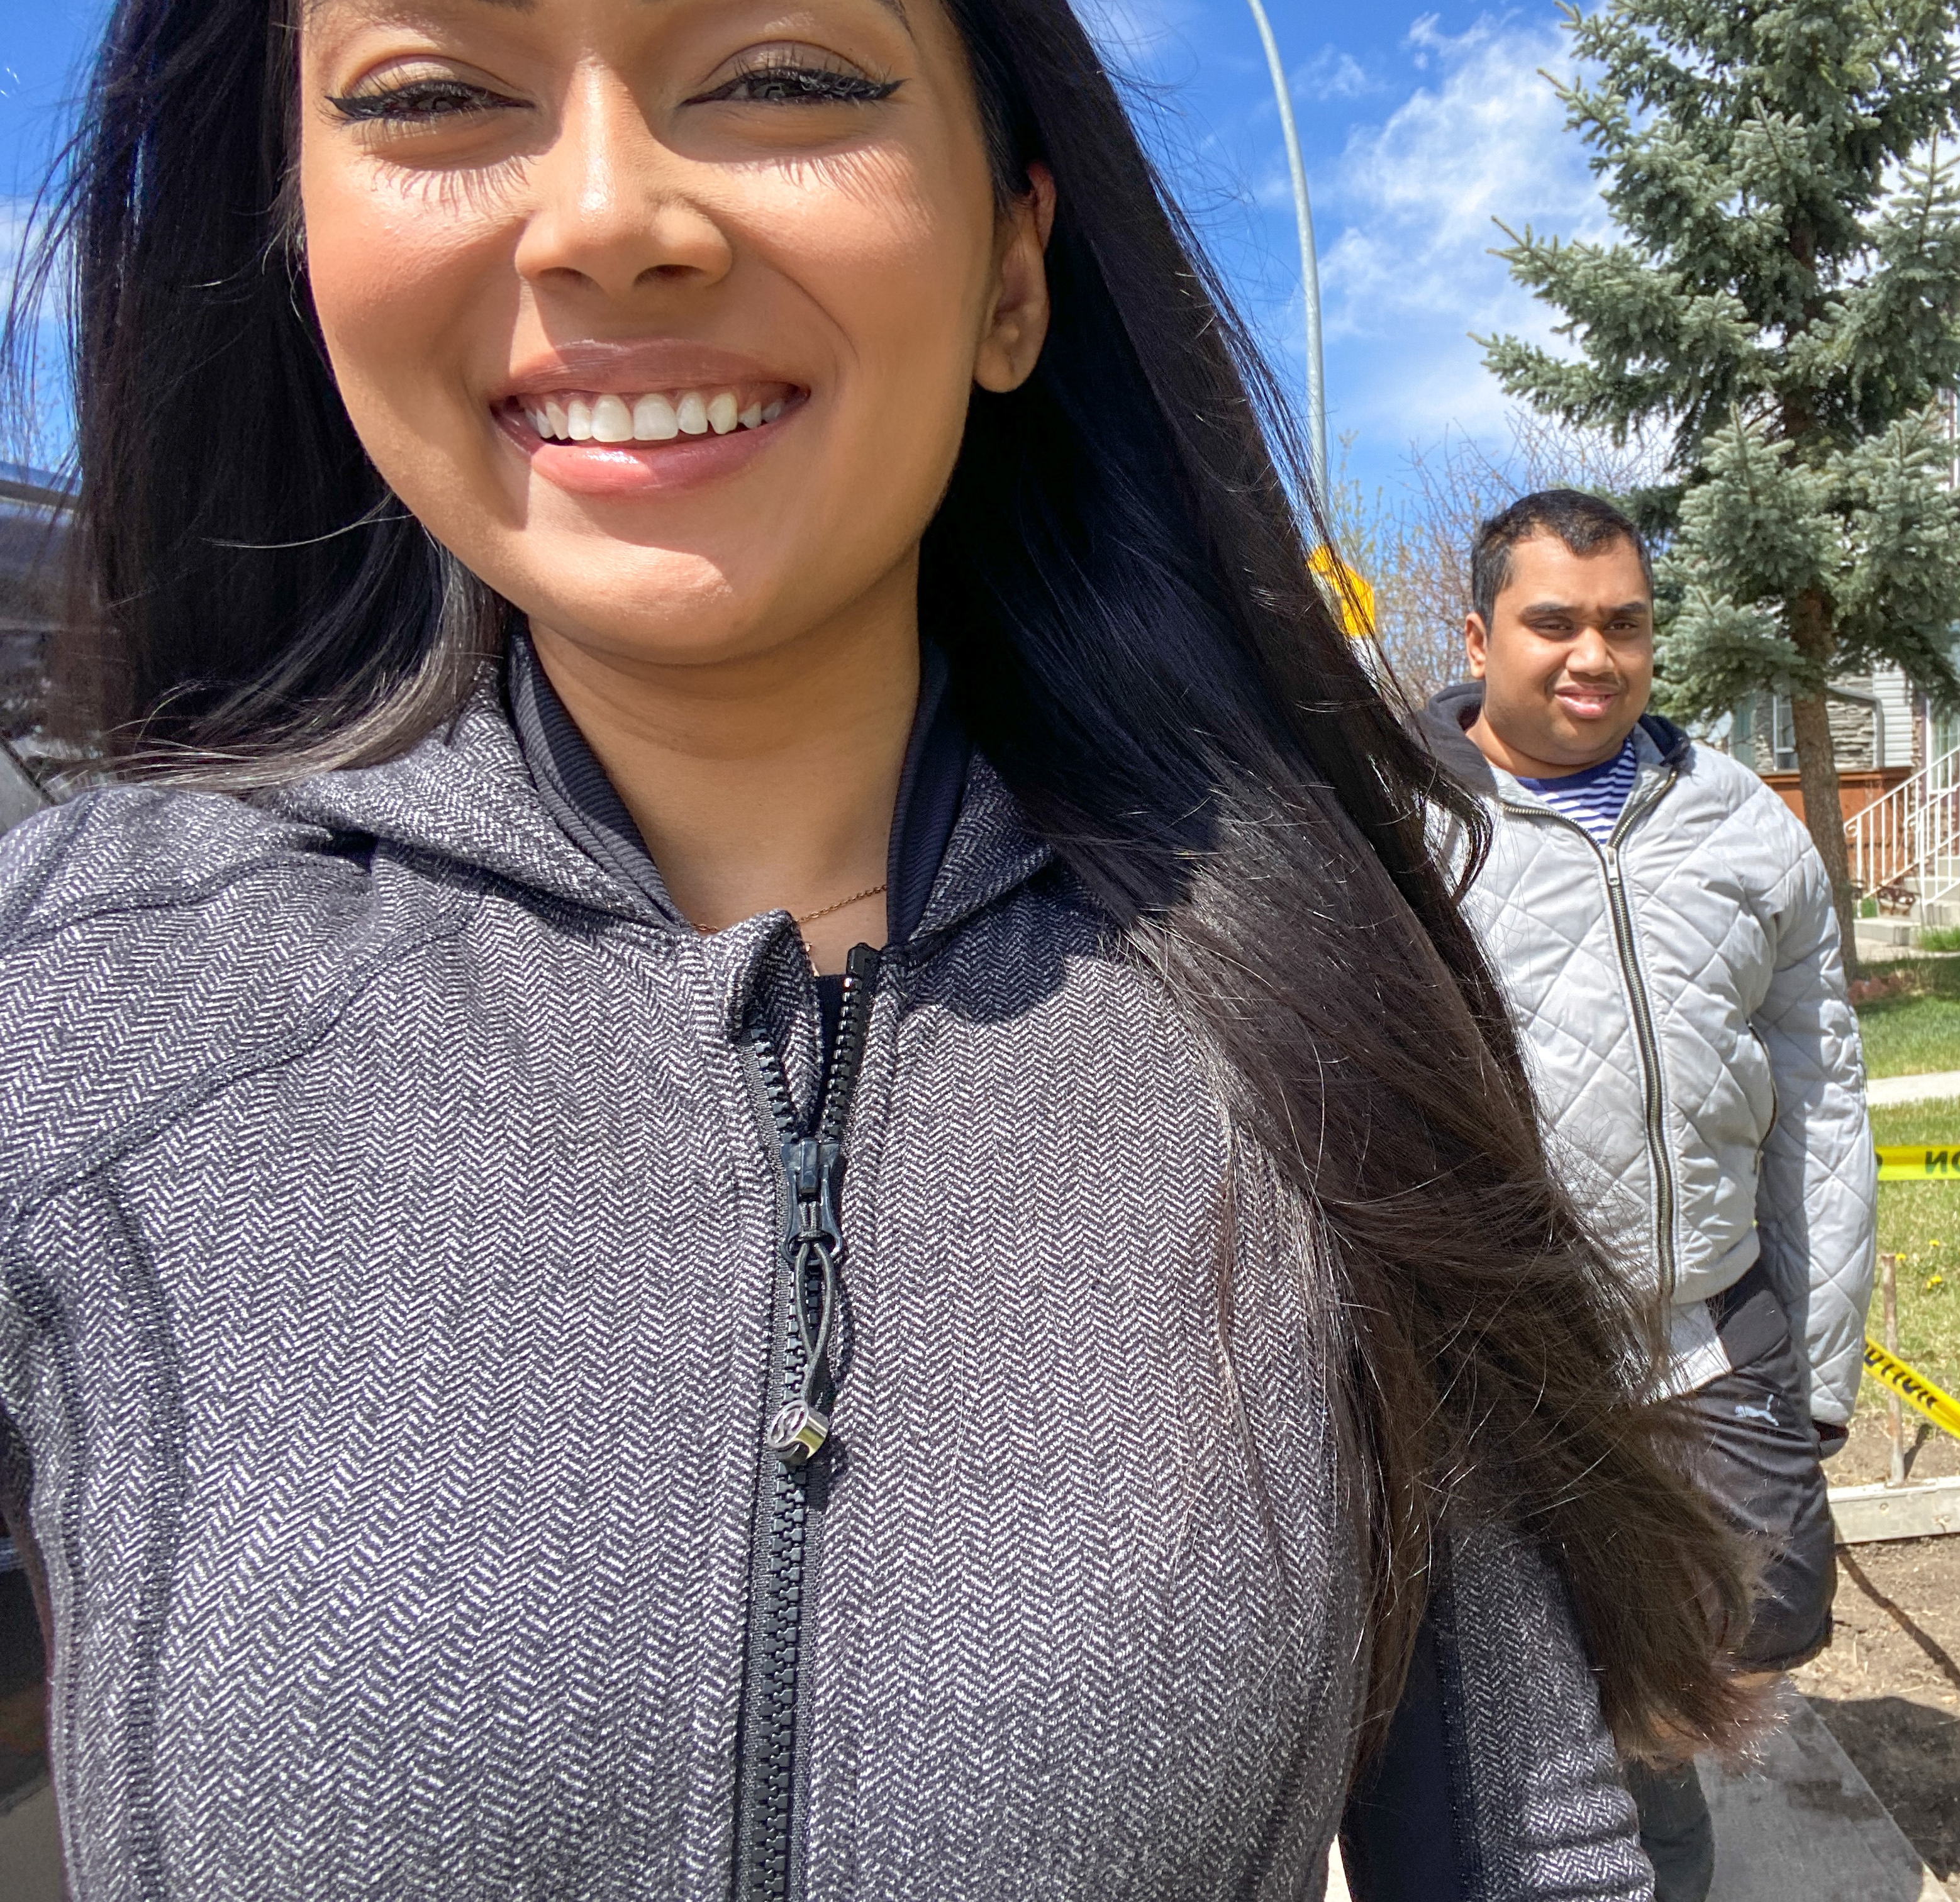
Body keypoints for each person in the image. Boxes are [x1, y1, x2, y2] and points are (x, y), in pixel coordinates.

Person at [0, 5, 1752, 1896]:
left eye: (781, 74)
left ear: (1014, 272)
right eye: (431, 96)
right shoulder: (82, 994)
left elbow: (1532, 1857)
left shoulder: (1318, 1004)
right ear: (298, 242)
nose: (607, 215)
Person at [1417, 490, 1877, 1900]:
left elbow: (1825, 1098)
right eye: (1553, 622)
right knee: (1490, 1740)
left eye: (1624, 623)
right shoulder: (1397, 834)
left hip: (1706, 1348)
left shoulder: (1746, 830)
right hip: (1501, 1374)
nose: (1592, 657)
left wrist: (1819, 1366)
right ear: (1481, 629)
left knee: (1678, 1706)